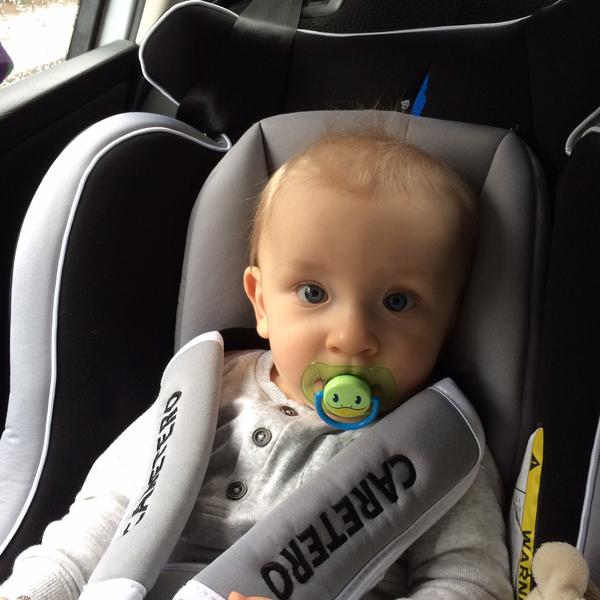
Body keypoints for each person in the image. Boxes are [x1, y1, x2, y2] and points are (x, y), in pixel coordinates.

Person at [0, 130, 513, 600]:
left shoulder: (437, 446)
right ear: (261, 303)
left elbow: (471, 585)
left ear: (448, 322)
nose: (352, 336)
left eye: (397, 302)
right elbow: (107, 514)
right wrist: (41, 588)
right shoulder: (208, 390)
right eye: (313, 293)